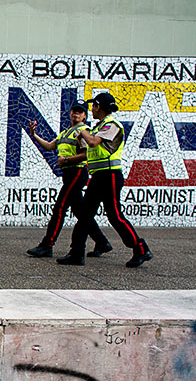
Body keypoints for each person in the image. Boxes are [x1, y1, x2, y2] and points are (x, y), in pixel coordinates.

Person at [56, 92, 153, 268]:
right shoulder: (99, 126)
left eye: (93, 106)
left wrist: (82, 131)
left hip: (110, 176)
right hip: (98, 176)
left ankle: (140, 248)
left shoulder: (112, 125)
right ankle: (76, 253)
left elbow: (93, 142)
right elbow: (90, 146)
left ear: (98, 106)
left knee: (115, 216)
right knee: (84, 215)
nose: (91, 109)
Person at [26, 101, 111, 258]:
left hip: (77, 172)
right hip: (69, 174)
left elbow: (86, 154)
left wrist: (66, 160)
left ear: (85, 116)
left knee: (60, 208)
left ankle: (47, 245)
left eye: (80, 111)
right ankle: (102, 242)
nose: (76, 113)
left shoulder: (84, 131)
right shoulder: (66, 132)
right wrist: (34, 135)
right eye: (74, 111)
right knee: (81, 212)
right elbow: (50, 146)